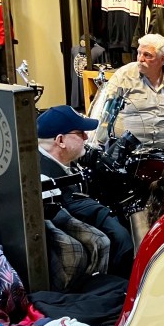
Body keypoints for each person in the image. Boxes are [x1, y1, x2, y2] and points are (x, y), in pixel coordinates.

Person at [37, 105, 134, 276]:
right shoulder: (45, 182)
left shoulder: (61, 165)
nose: (86, 137)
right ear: (60, 141)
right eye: (80, 132)